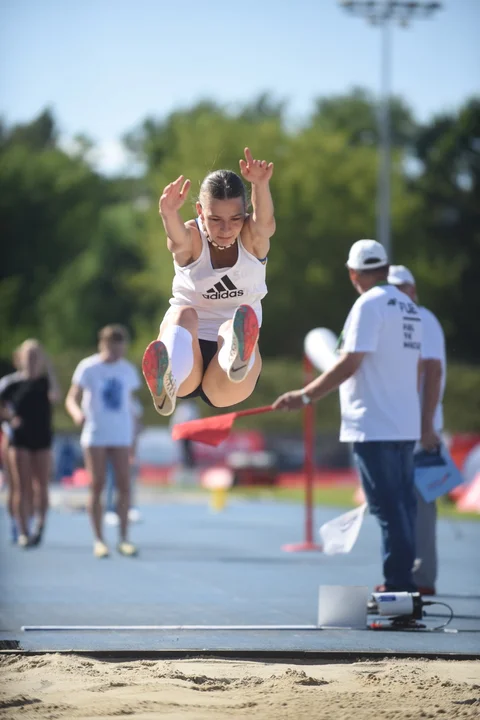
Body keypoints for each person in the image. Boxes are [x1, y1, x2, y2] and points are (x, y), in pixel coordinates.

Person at [274, 240, 424, 593]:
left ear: (353, 273)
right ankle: (404, 585)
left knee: (388, 510)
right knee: (402, 507)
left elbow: (349, 362)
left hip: (373, 424)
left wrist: (306, 395)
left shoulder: (367, 305)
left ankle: (398, 587)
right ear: (386, 269)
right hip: (404, 422)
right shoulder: (409, 307)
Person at [142, 147, 275, 417]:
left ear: (246, 211)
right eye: (215, 220)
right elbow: (176, 239)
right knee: (183, 314)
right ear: (200, 211)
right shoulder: (191, 237)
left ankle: (236, 356)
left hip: (228, 376)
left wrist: (260, 184)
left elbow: (265, 224)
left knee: (234, 321)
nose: (226, 230)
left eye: (235, 219)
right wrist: (168, 214)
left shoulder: (252, 237)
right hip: (186, 348)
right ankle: (167, 382)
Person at [388, 264, 446, 596]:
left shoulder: (423, 318)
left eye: (402, 288)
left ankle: (421, 576)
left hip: (419, 430)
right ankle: (409, 573)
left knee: (420, 506)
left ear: (413, 290)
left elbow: (432, 371)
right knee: (401, 504)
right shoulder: (402, 320)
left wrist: (425, 426)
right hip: (403, 427)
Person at [65, 325, 141, 558]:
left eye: (121, 346)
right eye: (113, 346)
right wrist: (77, 413)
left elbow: (131, 406)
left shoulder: (128, 370)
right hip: (96, 433)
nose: (117, 352)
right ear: (103, 345)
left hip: (121, 434)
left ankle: (124, 538)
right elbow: (71, 398)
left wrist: (134, 438)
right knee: (97, 485)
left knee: (124, 486)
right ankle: (99, 539)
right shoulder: (88, 367)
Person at [0, 340, 60, 548]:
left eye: (37, 355)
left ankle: (40, 525)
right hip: (19, 439)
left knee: (41, 485)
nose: (33, 360)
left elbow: (55, 396)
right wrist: (9, 418)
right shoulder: (11, 383)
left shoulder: (45, 383)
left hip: (42, 437)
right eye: (29, 355)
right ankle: (22, 530)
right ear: (20, 358)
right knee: (22, 486)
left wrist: (49, 367)